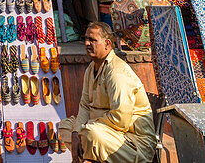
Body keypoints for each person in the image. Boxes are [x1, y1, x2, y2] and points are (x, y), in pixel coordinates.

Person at [58, 22, 156, 163]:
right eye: (86, 39)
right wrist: (75, 132)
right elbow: (85, 105)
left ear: (107, 44)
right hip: (107, 132)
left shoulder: (116, 72)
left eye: (92, 40)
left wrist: (87, 127)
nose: (87, 43)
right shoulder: (91, 69)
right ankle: (91, 157)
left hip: (133, 141)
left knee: (91, 133)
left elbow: (120, 120)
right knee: (66, 127)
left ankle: (90, 159)